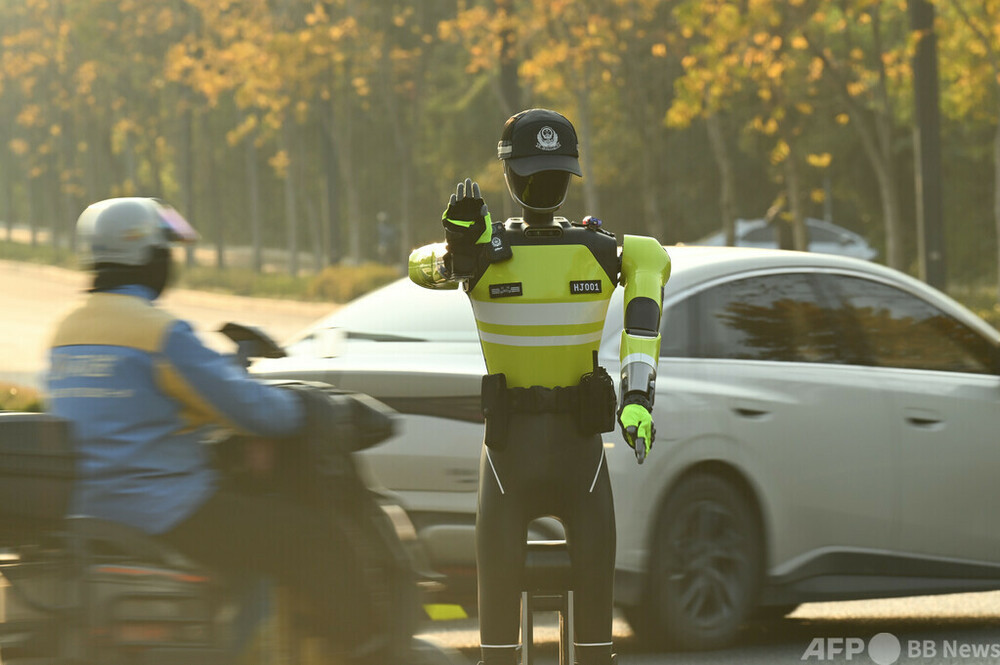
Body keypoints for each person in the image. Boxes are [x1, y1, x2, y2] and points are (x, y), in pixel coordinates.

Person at [46, 197, 386, 661]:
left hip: (90, 509)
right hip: (167, 512)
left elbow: (138, 405)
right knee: (313, 539)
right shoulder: (157, 332)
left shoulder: (67, 332)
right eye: (165, 250)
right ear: (146, 256)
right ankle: (374, 651)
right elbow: (256, 413)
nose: (169, 261)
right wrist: (305, 407)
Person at [409, 109, 671, 665]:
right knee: (593, 645)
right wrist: (639, 399)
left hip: (508, 456)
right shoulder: (607, 252)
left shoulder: (482, 257)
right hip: (583, 456)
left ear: (509, 175)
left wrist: (462, 246)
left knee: (500, 646)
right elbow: (649, 284)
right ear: (569, 175)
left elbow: (422, 267)